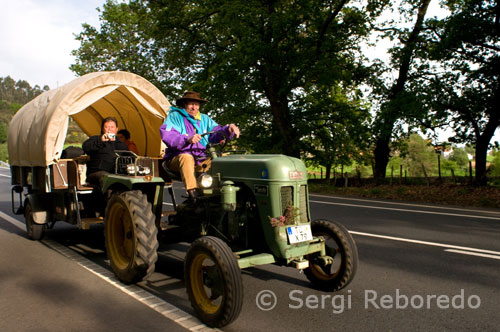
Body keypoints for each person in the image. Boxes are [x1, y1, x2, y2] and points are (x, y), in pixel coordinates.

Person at [160, 91, 240, 200]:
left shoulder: (204, 119)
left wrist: (228, 130)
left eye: (196, 104)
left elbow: (216, 133)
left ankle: (228, 189)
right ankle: (193, 193)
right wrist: (187, 139)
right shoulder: (175, 116)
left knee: (223, 159)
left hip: (200, 159)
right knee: (186, 157)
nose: (194, 107)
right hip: (177, 159)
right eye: (191, 104)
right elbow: (168, 135)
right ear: (184, 104)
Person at [82, 117, 129, 189]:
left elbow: (129, 156)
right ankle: (110, 199)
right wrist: (101, 141)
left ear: (116, 129)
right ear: (102, 129)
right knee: (107, 178)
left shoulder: (121, 144)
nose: (109, 129)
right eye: (106, 127)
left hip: (117, 173)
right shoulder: (96, 139)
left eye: (112, 127)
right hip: (97, 173)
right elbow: (86, 147)